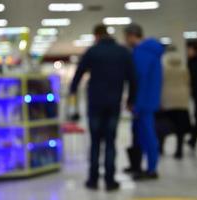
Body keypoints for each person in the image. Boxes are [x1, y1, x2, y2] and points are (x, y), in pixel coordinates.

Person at [70, 24, 136, 191]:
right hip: (114, 104)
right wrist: (131, 100)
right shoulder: (122, 52)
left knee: (95, 143)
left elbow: (79, 73)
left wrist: (72, 91)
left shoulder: (92, 51)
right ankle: (110, 180)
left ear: (97, 35)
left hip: (95, 104)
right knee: (110, 142)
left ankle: (92, 179)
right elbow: (133, 78)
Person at [124, 23, 164, 180]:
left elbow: (137, 78)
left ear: (132, 36)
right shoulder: (151, 52)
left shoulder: (141, 53)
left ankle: (151, 169)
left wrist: (132, 100)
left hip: (143, 100)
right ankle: (142, 166)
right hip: (150, 98)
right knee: (143, 134)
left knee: (147, 135)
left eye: (126, 37)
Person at [158, 46, 191, 159]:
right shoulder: (183, 68)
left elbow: (160, 84)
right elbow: (187, 82)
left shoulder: (163, 67)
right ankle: (179, 150)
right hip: (182, 99)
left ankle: (161, 148)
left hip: (167, 99)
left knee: (163, 125)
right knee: (180, 128)